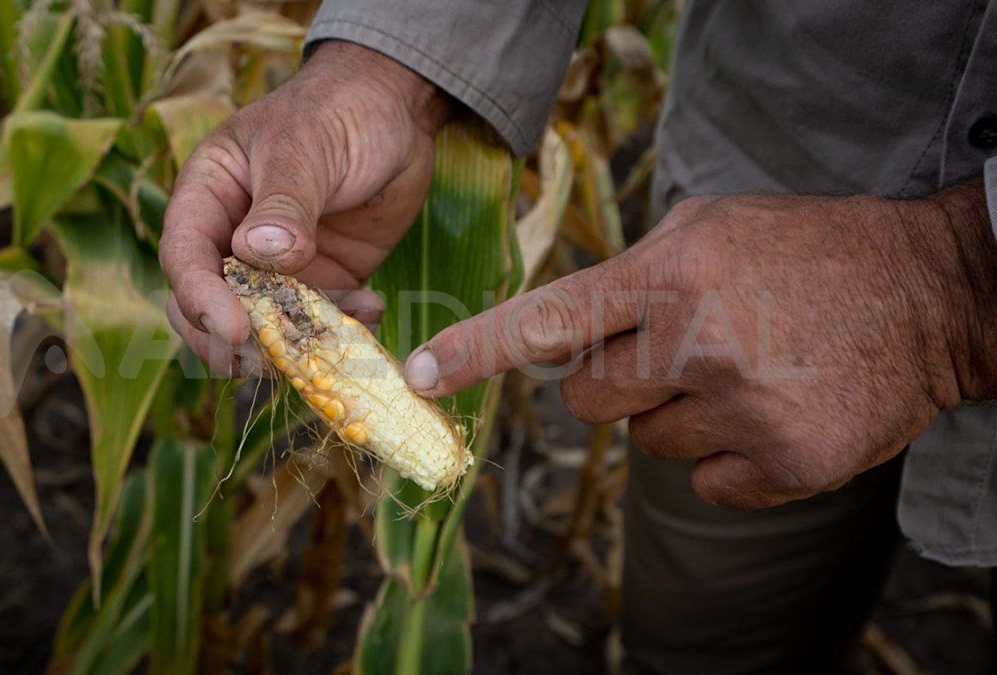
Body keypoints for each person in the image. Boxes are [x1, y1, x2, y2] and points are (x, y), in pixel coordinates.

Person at [159, 1, 997, 671]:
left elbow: (952, 289)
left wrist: (954, 285)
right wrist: (394, 60)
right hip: (756, 193)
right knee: (706, 630)